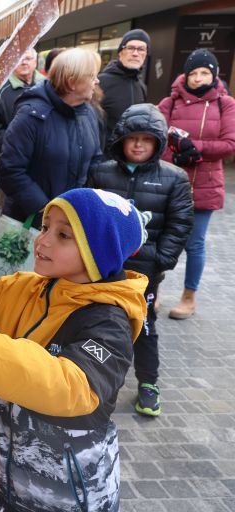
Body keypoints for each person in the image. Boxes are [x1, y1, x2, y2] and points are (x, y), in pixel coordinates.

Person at [0, 187, 150, 512]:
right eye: (46, 226)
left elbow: (71, 386)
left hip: (67, 496)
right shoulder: (27, 287)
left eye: (63, 235)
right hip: (3, 480)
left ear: (100, 252)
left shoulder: (108, 322)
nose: (43, 240)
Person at [88, 103, 193, 416]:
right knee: (97, 322)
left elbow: (180, 224)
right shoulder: (101, 171)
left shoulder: (173, 179)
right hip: (103, 268)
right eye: (133, 137)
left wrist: (161, 261)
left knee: (144, 327)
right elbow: (88, 214)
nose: (138, 144)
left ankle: (148, 382)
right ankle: (95, 378)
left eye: (147, 139)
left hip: (145, 272)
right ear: (121, 139)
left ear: (157, 143)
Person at [157, 49, 235, 320]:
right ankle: (154, 291)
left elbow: (229, 144)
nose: (199, 78)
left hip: (206, 185)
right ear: (185, 76)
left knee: (195, 243)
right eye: (194, 73)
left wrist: (195, 148)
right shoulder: (170, 103)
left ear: (214, 75)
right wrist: (175, 154)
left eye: (205, 73)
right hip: (170, 182)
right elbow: (155, 139)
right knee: (161, 237)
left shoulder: (226, 104)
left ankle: (189, 297)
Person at [0, 48, 102, 227]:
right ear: (72, 83)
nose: (97, 81)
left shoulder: (89, 113)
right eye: (92, 76)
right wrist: (46, 210)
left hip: (72, 221)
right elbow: (10, 170)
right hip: (32, 222)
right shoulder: (32, 114)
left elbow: (95, 160)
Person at [0, 49, 45, 223]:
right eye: (20, 58)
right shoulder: (1, 89)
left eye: (29, 58)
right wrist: (12, 142)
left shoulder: (48, 86)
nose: (24, 62)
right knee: (3, 191)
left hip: (39, 160)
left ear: (36, 62)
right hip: (6, 155)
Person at [98, 28, 150, 145]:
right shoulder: (101, 81)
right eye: (130, 48)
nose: (135, 53)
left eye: (141, 49)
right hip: (103, 156)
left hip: (130, 156)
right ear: (120, 52)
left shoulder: (141, 87)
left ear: (146, 54)